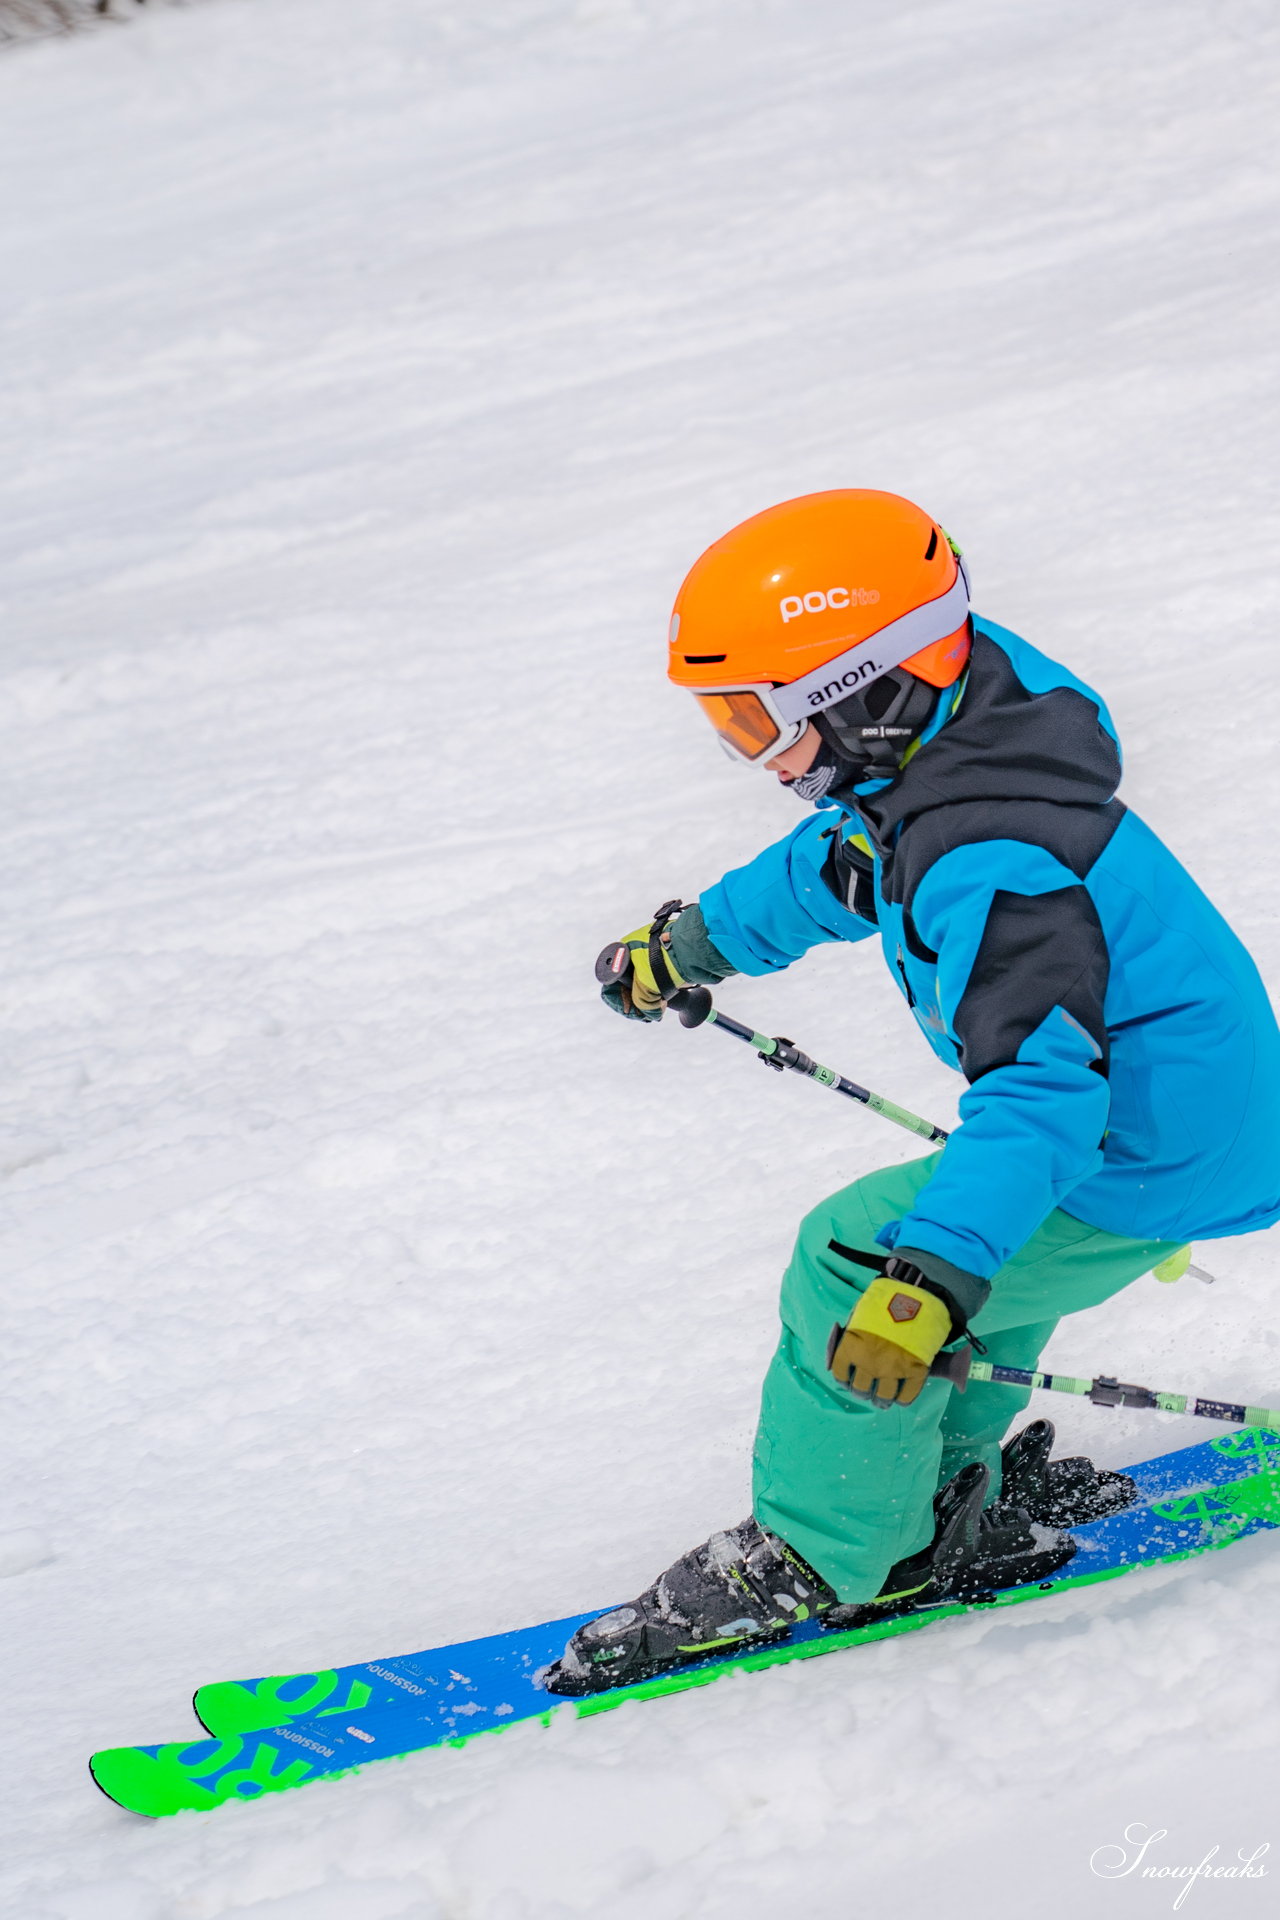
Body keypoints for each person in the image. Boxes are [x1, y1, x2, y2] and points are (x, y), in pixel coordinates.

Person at [545, 489, 1280, 1697]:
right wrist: (696, 946)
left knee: (855, 1259)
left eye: (754, 721)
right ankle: (933, 1489)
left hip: (1140, 1149)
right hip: (1181, 1125)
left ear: (864, 692)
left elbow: (1041, 1093)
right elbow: (841, 866)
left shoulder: (991, 858)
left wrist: (924, 1274)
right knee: (957, 1247)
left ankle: (834, 1555)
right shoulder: (953, 751)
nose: (749, 755)